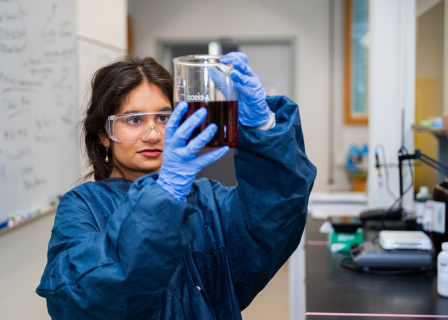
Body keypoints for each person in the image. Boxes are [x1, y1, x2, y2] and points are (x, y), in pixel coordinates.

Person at [36, 52, 316, 320]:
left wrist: (265, 129)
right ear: (104, 135)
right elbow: (80, 299)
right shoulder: (83, 206)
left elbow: (274, 217)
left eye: (163, 117)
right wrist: (163, 196)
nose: (154, 134)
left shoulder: (206, 198)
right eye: (134, 120)